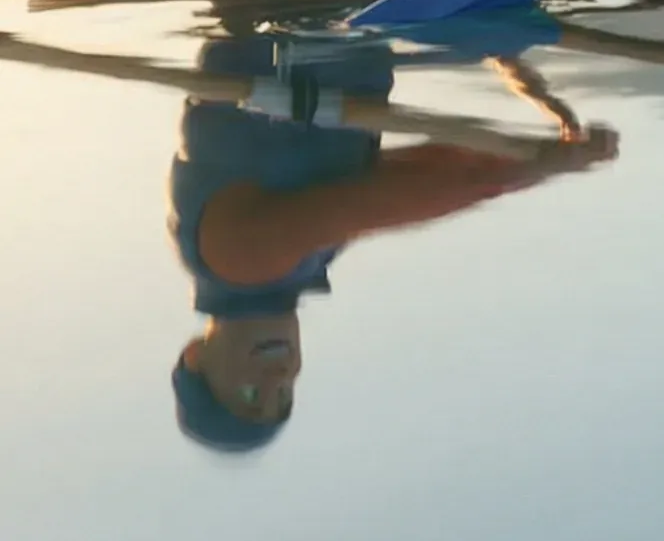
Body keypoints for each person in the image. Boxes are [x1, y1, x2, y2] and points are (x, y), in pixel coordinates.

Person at [168, 32, 613, 451]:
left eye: (249, 393)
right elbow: (424, 172)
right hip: (352, 29)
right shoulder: (300, 263)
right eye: (284, 394)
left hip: (290, 17)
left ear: (195, 356)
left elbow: (379, 201)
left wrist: (532, 168)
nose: (277, 377)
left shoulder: (236, 260)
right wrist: (542, 158)